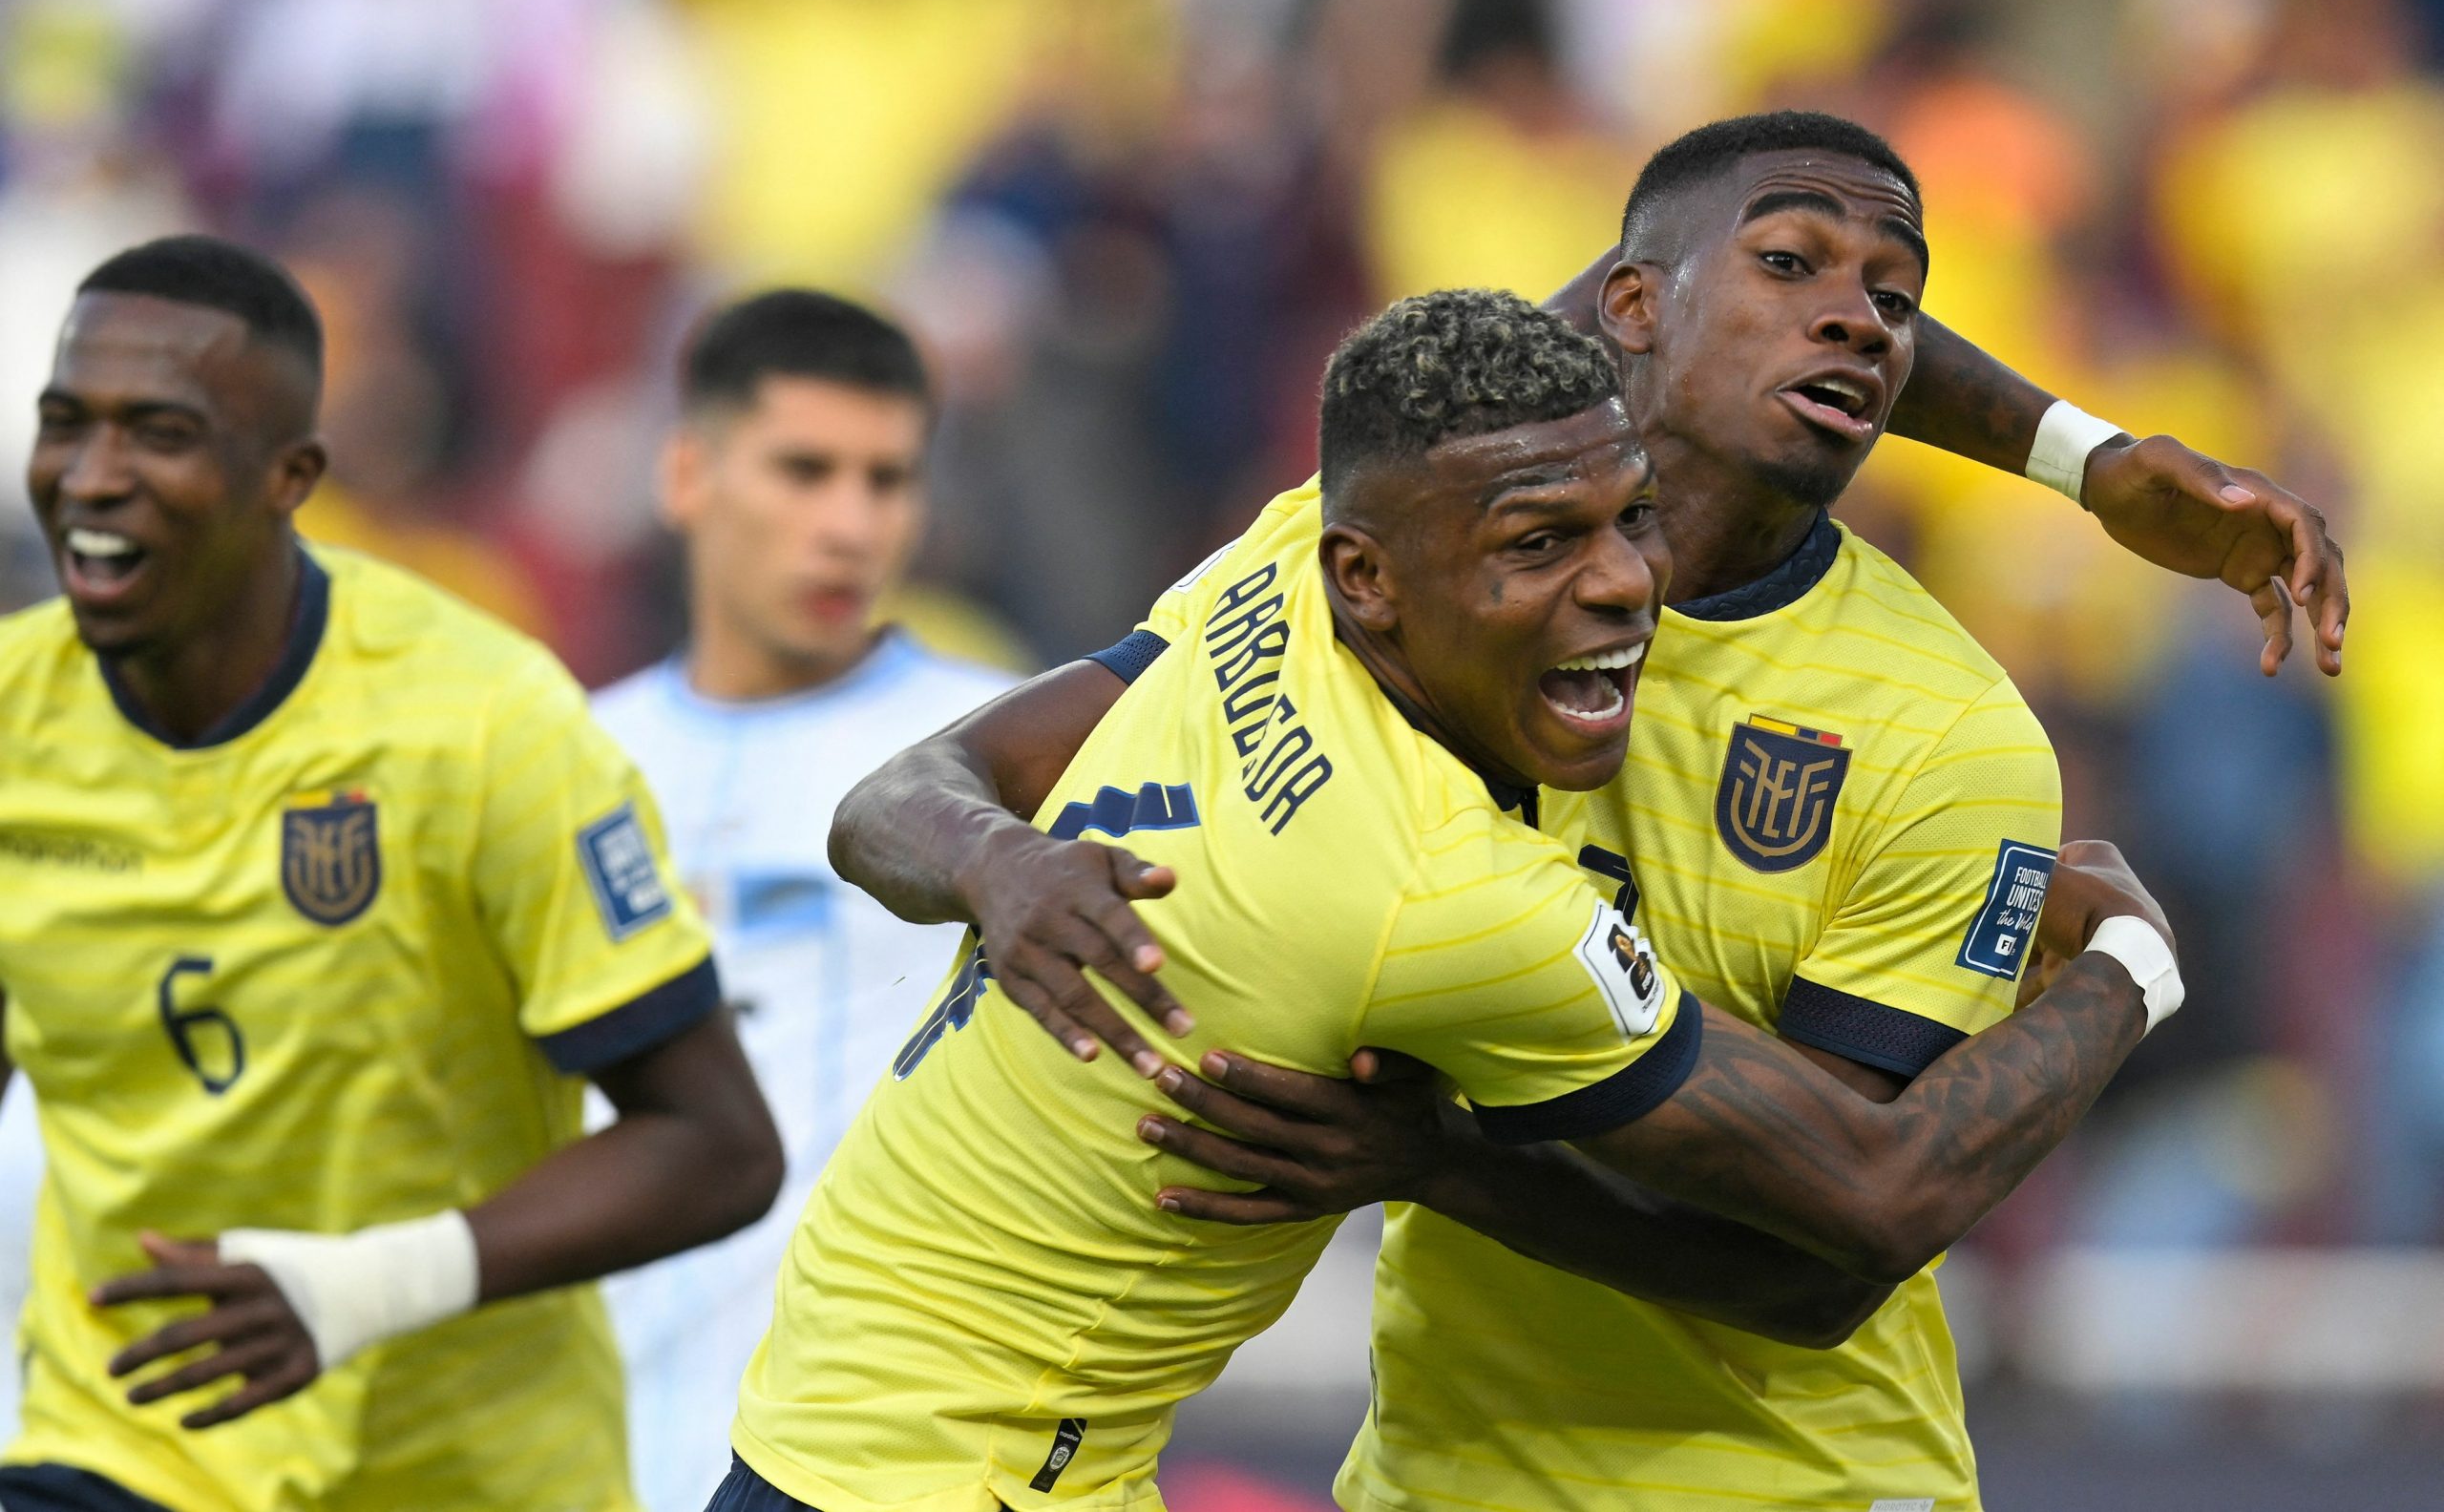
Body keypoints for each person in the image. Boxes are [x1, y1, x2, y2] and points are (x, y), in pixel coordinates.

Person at [822, 114, 2349, 1512]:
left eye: (1897, 294)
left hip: (1781, 1482)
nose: (1859, 317)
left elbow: (1830, 1255)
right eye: (1791, 264)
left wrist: (1435, 1161)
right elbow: (912, 788)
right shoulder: (1347, 567)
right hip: (1437, 1469)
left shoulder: (1945, 732)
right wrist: (1000, 860)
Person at [0, 236, 784, 1512]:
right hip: (129, 1445)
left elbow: (717, 1143)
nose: (92, 477)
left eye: (158, 433)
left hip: (461, 1474)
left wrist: (365, 1284)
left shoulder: (482, 722)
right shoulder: (11, 717)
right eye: (64, 424)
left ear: (286, 478)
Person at [589, 289, 1014, 1512]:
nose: (850, 526)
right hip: (578, 1452)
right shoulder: (561, 759)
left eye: (888, 481)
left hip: (866, 1467)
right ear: (685, 475)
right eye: (804, 470)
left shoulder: (1008, 755)